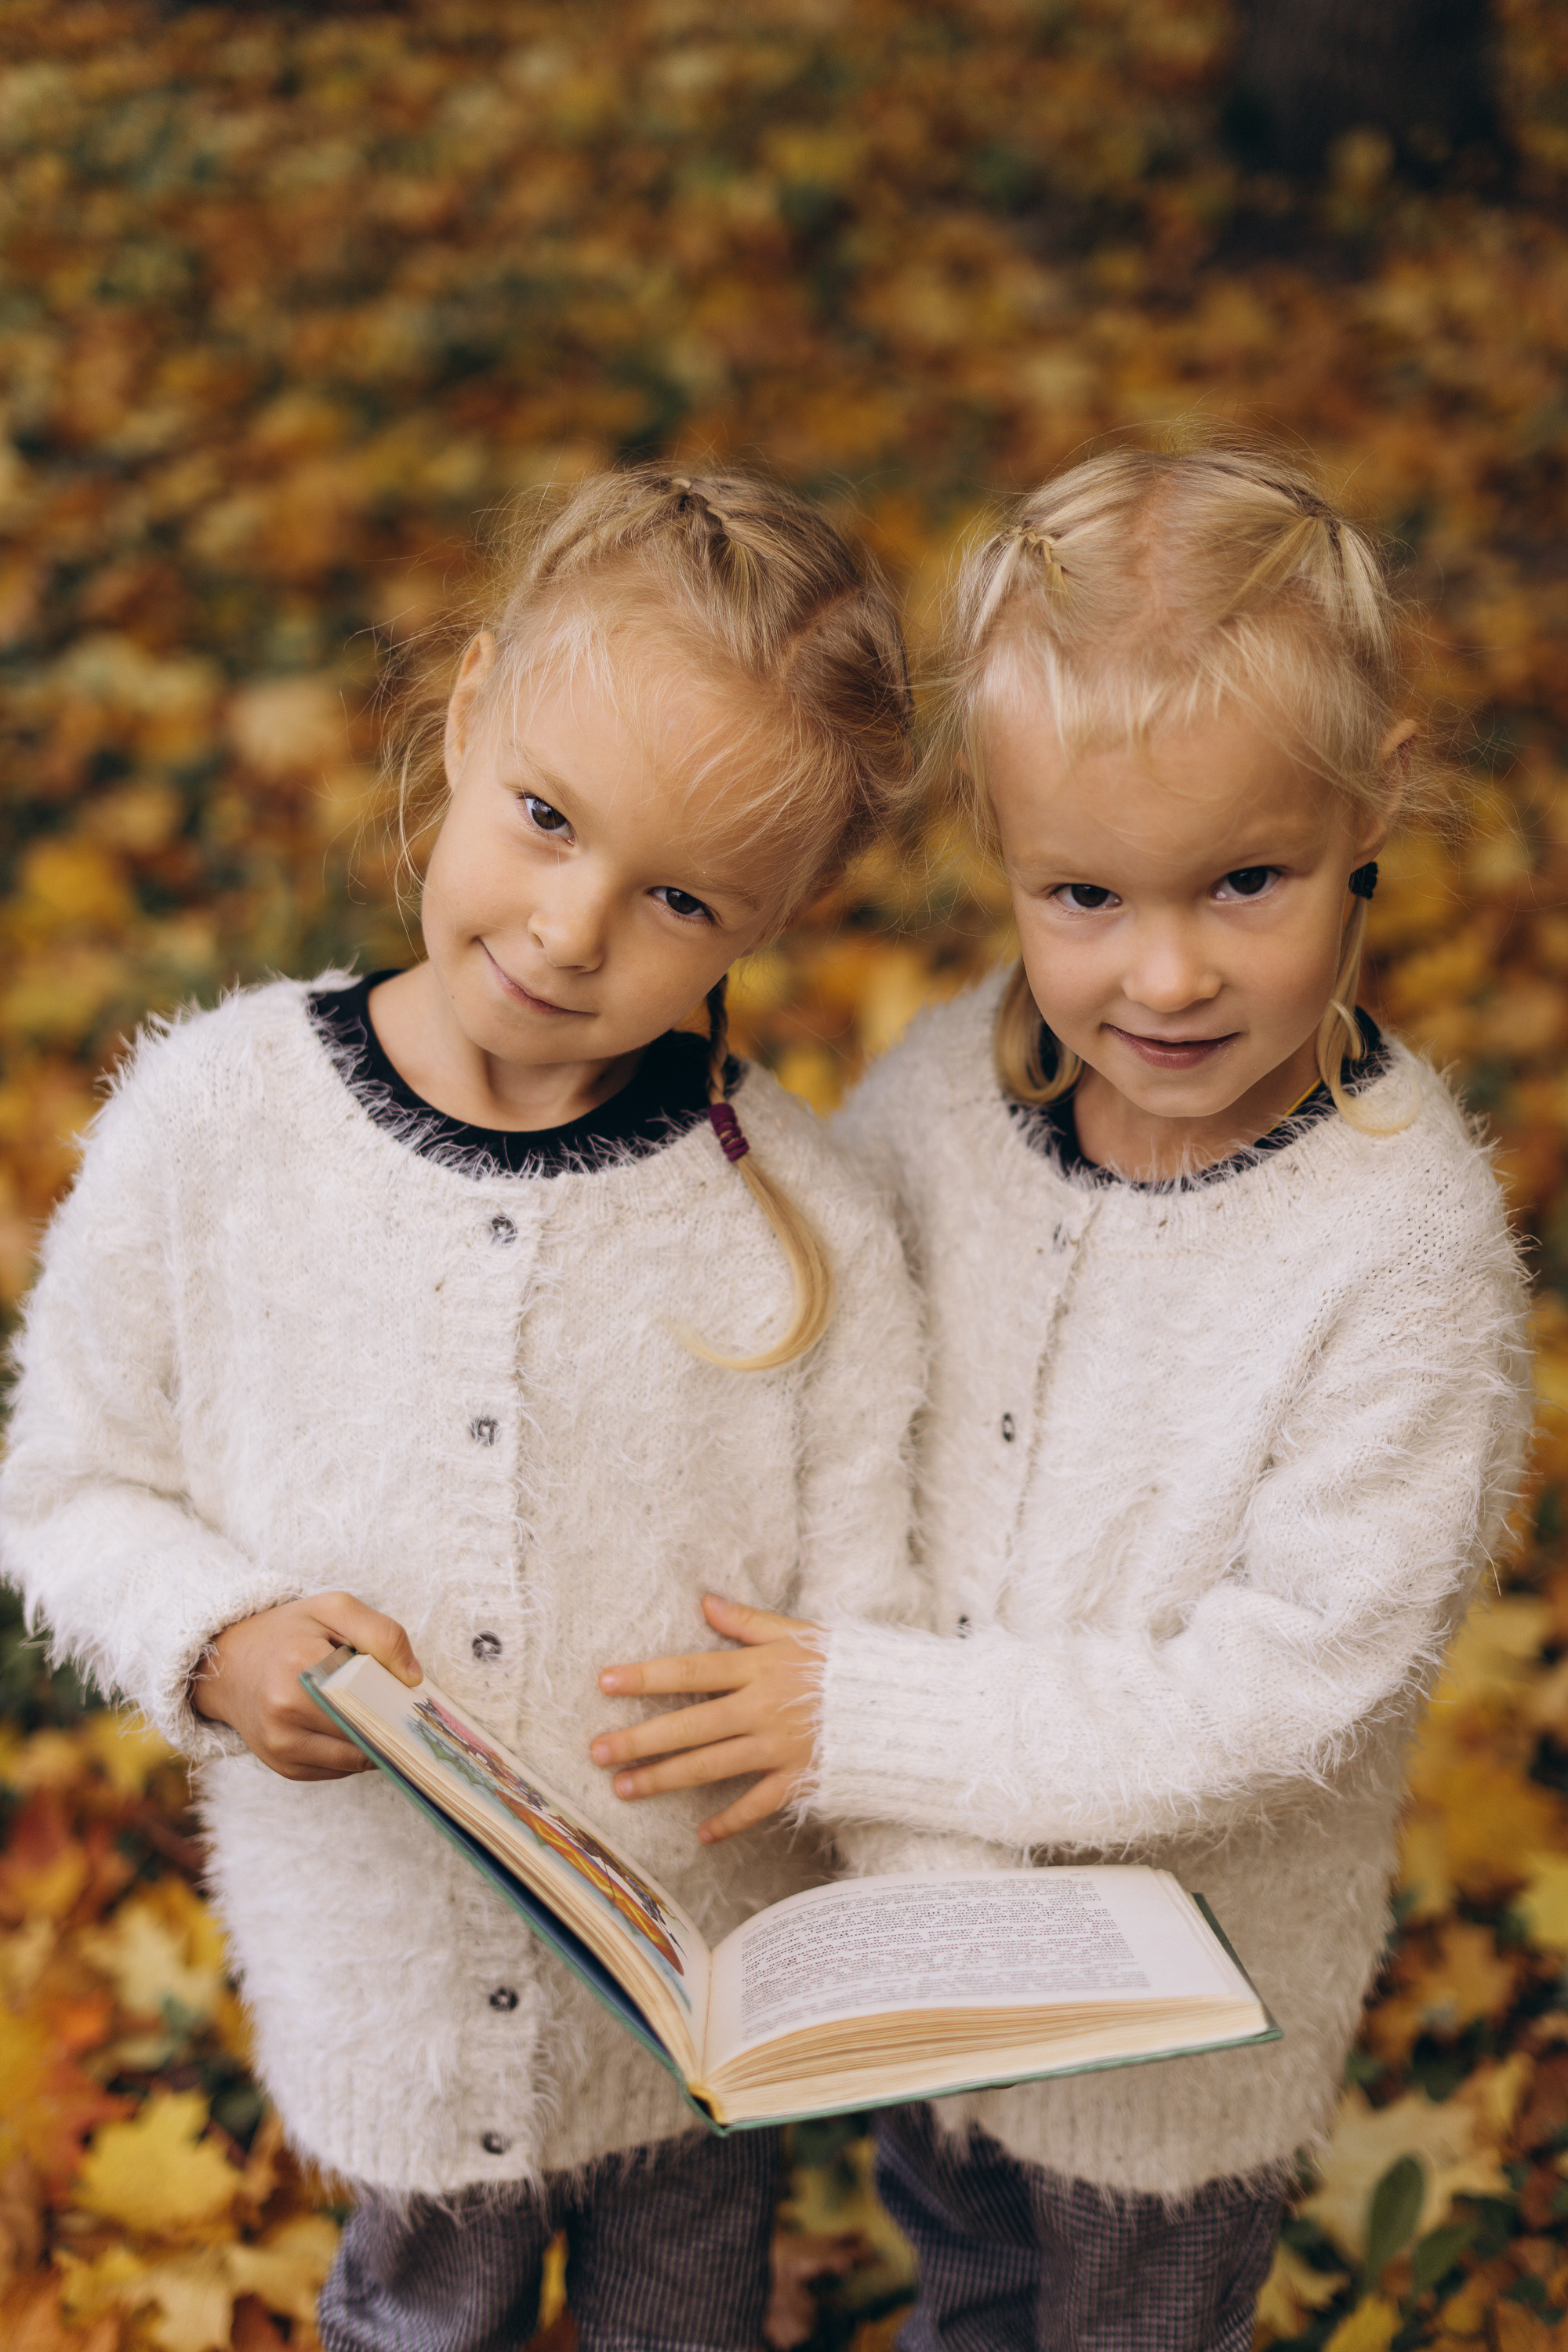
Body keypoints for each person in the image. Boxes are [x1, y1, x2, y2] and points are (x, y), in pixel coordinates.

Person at [587, 445, 1534, 2351]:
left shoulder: (1401, 1248)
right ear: (1004, 863)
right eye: (1082, 893)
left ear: (1370, 809)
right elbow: (810, 1359)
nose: (1163, 972)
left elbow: (1286, 1685)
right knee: (969, 2279)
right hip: (929, 1954)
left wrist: (866, 1714)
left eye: (1243, 882)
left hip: (1179, 2036)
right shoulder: (946, 1094)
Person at [0, 466, 926, 2352]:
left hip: (706, 2011)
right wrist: (216, 1636)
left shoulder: (804, 1215)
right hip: (392, 1999)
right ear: (468, 701)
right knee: (423, 2327)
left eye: (677, 897)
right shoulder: (217, 1123)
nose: (576, 927)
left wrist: (833, 1713)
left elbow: (871, 1595)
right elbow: (65, 1483)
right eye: (543, 817)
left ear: (781, 909)